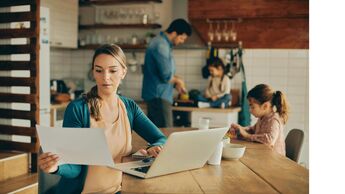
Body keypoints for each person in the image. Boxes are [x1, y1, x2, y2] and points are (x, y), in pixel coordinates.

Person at [38, 44, 167, 194]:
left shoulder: (129, 107)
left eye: (112, 71)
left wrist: (153, 148)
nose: (105, 77)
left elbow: (160, 138)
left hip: (116, 191)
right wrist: (55, 167)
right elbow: (75, 168)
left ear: (123, 72)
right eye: (99, 70)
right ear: (93, 72)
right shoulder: (78, 109)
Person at [141, 18, 192, 128]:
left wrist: (175, 83)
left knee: (158, 135)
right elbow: (166, 75)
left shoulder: (163, 44)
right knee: (164, 135)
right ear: (174, 33)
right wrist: (180, 81)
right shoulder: (161, 46)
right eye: (182, 38)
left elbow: (164, 74)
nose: (181, 42)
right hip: (158, 97)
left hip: (158, 96)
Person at [229, 84, 289, 156]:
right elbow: (253, 130)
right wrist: (240, 129)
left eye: (252, 107)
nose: (250, 110)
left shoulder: (274, 120)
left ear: (265, 106)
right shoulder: (262, 118)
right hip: (264, 155)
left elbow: (269, 140)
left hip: (275, 160)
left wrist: (247, 135)